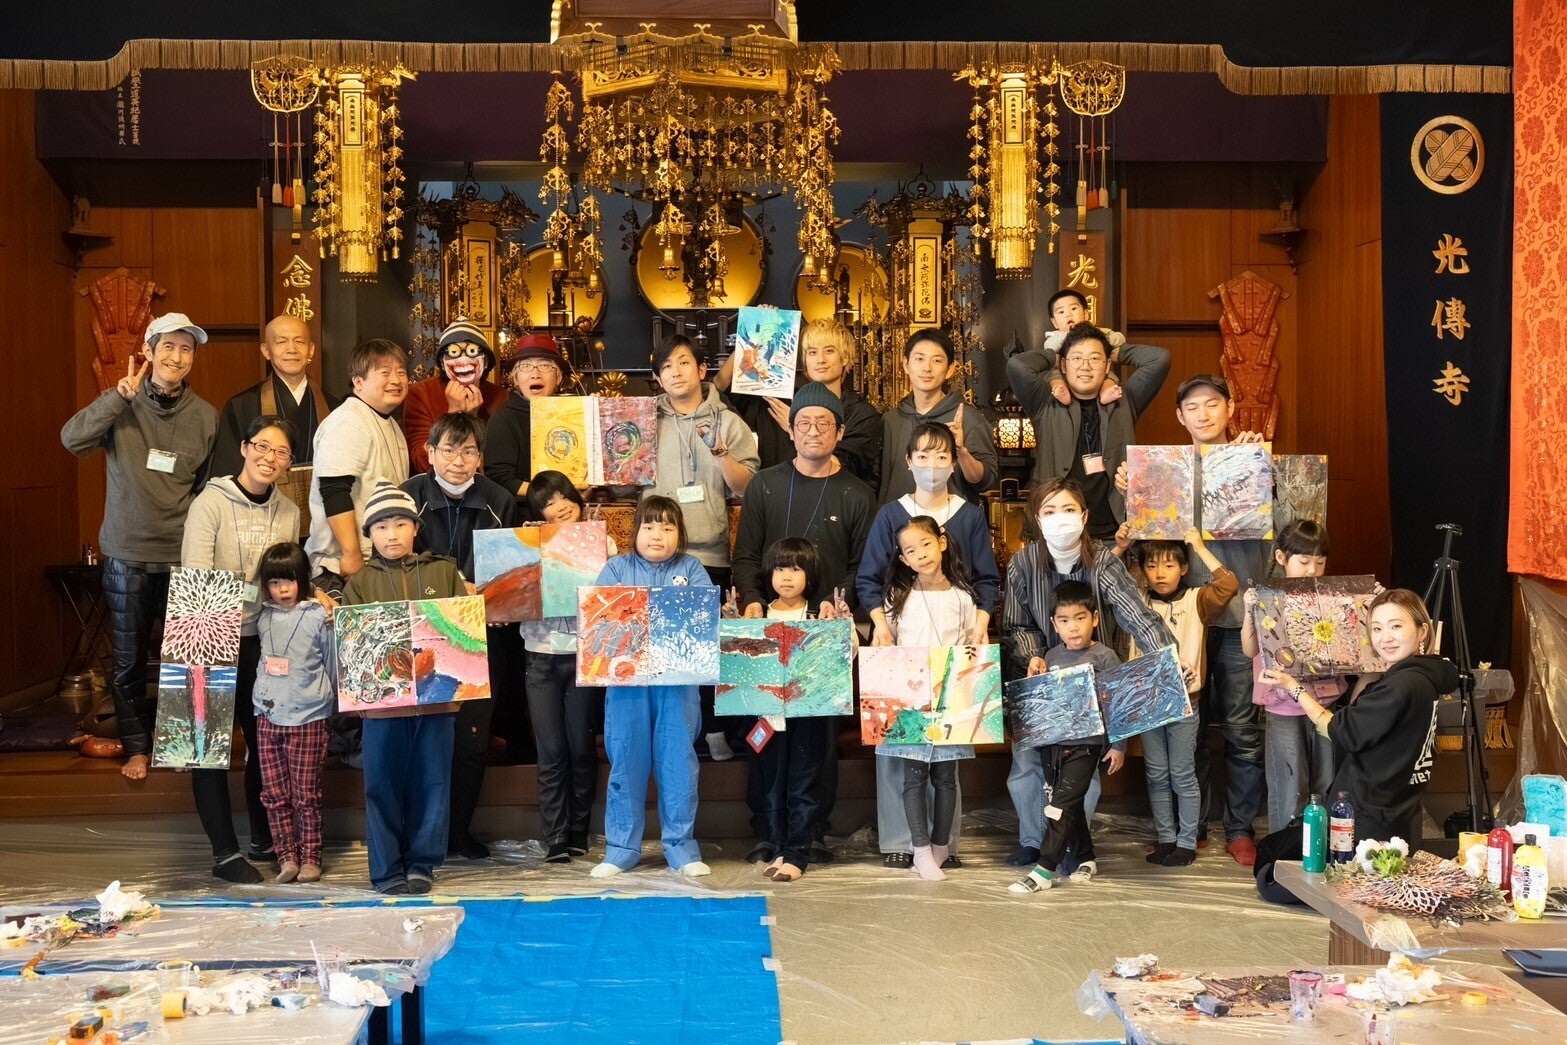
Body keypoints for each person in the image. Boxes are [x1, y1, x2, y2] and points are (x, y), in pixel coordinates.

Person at [1115, 373, 1273, 865]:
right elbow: (1146, 543)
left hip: (1238, 619)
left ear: (1230, 409)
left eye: (1212, 404)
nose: (1203, 414)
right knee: (1191, 728)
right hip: (1181, 624)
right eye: (1192, 407)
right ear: (1180, 417)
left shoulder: (1252, 459)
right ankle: (1192, 827)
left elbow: (1285, 524)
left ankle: (1241, 828)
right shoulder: (1164, 470)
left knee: (1242, 730)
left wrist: (1262, 467)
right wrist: (1130, 491)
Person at [61, 312, 217, 782]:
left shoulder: (206, 416)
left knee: (188, 660)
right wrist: (117, 397)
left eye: (186, 349)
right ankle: (137, 749)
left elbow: (206, 489)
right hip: (126, 555)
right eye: (168, 346)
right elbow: (71, 440)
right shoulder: (121, 403)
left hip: (184, 555)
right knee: (128, 661)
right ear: (148, 351)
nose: (177, 357)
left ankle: (183, 745)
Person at [730, 382, 875, 864]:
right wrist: (753, 600)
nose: (813, 432)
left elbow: (862, 565)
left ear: (840, 432)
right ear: (790, 431)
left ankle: (811, 832)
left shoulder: (857, 493)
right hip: (767, 629)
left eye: (823, 424)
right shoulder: (766, 485)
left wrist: (836, 603)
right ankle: (765, 829)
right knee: (763, 733)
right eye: (804, 423)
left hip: (823, 635)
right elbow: (746, 555)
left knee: (818, 740)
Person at [1001, 479, 1174, 868]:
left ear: (1083, 516)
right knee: (1027, 765)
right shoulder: (1022, 564)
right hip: (1038, 680)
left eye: (1068, 510)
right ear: (1037, 519)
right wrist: (1033, 656)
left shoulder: (1105, 562)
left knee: (1081, 769)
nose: (1059, 518)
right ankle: (1032, 840)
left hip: (1091, 683)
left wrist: (1167, 657)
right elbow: (1015, 624)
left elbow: (1137, 616)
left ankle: (1070, 845)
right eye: (1049, 511)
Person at [1253, 589, 1454, 905]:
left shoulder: (1403, 685)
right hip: (1394, 814)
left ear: (1422, 631)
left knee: (1270, 879)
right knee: (1272, 848)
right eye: (1377, 628)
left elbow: (1335, 728)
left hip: (1366, 820)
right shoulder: (1422, 677)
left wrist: (1294, 688)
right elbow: (1363, 711)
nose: (1385, 637)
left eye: (1396, 626)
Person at [857, 420, 999, 869]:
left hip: (955, 651)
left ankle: (944, 846)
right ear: (908, 461)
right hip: (902, 650)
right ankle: (902, 842)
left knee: (948, 759)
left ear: (954, 462)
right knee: (899, 755)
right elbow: (869, 579)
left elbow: (986, 579)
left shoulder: (969, 515)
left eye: (942, 456)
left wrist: (980, 624)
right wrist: (881, 625)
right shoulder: (890, 514)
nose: (932, 465)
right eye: (923, 455)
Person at [180, 415, 305, 882]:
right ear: (245, 448)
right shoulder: (209, 503)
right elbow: (197, 575)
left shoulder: (289, 512)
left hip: (262, 637)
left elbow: (284, 579)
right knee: (206, 746)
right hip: (206, 628)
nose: (270, 458)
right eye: (263, 447)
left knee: (265, 742)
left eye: (282, 452)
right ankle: (224, 854)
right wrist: (246, 597)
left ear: (290, 463)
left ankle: (263, 837)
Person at [341, 480, 470, 894]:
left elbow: (462, 636)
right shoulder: (359, 583)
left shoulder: (444, 572)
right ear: (369, 535)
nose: (391, 534)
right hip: (381, 708)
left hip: (437, 702)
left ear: (416, 527)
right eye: (380, 527)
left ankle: (422, 864)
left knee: (433, 782)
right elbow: (351, 648)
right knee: (381, 785)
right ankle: (385, 869)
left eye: (400, 524)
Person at [402, 412, 516, 860]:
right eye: (448, 450)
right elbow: (394, 560)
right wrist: (452, 586)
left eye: (468, 451)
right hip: (422, 635)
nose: (458, 460)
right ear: (429, 453)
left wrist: (499, 601)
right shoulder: (408, 496)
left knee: (471, 741)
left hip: (479, 637)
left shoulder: (499, 500)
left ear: (480, 457)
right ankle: (420, 833)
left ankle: (457, 832)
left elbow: (507, 571)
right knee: (423, 738)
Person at [590, 497, 715, 879]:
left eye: (667, 527)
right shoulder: (616, 568)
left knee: (677, 761)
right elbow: (597, 621)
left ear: (681, 534)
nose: (657, 535)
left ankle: (680, 847)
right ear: (635, 532)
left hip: (677, 682)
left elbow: (704, 621)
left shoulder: (692, 569)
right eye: (649, 527)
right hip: (626, 683)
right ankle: (621, 849)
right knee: (626, 759)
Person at [1120, 528, 1237, 866]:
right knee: (1156, 773)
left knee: (1182, 773)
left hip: (1185, 702)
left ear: (1184, 568)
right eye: (1152, 566)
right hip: (1146, 701)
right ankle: (1166, 838)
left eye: (1169, 565)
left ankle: (1187, 842)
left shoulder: (1197, 599)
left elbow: (1228, 584)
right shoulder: (1136, 600)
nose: (1160, 573)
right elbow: (1101, 582)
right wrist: (1120, 548)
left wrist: (1198, 546)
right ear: (1142, 570)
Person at [1241, 521, 1363, 834]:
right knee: (1289, 783)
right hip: (1283, 705)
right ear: (1281, 557)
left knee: (1326, 779)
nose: (1312, 570)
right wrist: (1248, 612)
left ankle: (1321, 845)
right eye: (1304, 561)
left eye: (1320, 563)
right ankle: (1285, 847)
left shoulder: (1332, 598)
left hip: (1324, 702)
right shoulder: (1267, 597)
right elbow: (1250, 650)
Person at [876, 515, 980, 882]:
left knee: (946, 777)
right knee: (914, 777)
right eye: (910, 550)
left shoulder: (962, 596)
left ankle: (940, 846)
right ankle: (919, 849)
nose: (920, 553)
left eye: (925, 544)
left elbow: (970, 641)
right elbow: (888, 639)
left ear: (942, 543)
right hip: (910, 695)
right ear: (903, 560)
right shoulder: (898, 596)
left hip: (951, 693)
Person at [521, 471, 612, 862]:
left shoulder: (603, 542)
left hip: (583, 656)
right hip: (540, 656)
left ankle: (578, 830)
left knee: (580, 747)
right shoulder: (527, 544)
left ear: (576, 497)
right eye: (547, 503)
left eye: (563, 497)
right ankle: (555, 837)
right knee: (552, 750)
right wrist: (525, 548)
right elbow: (508, 595)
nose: (559, 507)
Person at [1008, 319, 1170, 539]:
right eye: (1076, 358)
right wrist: (1055, 355)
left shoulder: (1124, 400)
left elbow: (1159, 359)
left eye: (1095, 358)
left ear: (1107, 366)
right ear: (1064, 365)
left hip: (1114, 533)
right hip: (1055, 535)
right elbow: (1017, 365)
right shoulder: (1046, 401)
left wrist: (1115, 352)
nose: (1085, 366)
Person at [1011, 580, 1124, 893]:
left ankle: (1044, 871)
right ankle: (1087, 858)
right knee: (1065, 803)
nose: (1073, 627)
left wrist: (1119, 746)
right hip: (1053, 746)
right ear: (1054, 624)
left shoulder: (1105, 657)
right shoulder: (1051, 656)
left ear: (1095, 618)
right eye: (1064, 620)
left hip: (1088, 746)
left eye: (1080, 618)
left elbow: (1119, 705)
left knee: (1060, 806)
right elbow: (1044, 703)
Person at [749, 537, 851, 882]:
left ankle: (797, 853)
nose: (787, 577)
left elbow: (846, 654)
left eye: (795, 569)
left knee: (804, 782)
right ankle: (779, 847)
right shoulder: (760, 614)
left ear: (810, 575)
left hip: (810, 713)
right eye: (780, 569)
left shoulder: (819, 614)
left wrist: (840, 626)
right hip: (768, 713)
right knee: (773, 782)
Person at [648, 333, 760, 588]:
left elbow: (748, 488)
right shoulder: (644, 423)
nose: (676, 372)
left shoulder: (729, 422)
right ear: (658, 379)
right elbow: (624, 487)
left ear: (701, 370)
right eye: (666, 366)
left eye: (683, 362)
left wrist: (720, 452)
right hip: (654, 554)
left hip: (710, 558)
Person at [252, 542, 335, 884]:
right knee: (274, 795)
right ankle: (287, 857)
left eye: (289, 580)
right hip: (267, 715)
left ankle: (311, 857)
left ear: (303, 578)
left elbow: (332, 663)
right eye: (274, 583)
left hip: (309, 717)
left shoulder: (319, 616)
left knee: (306, 795)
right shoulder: (262, 616)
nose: (283, 590)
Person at [716, 317, 882, 487]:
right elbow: (716, 393)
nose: (821, 359)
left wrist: (800, 426)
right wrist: (754, 334)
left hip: (832, 500)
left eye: (829, 351)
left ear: (845, 358)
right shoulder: (778, 399)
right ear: (805, 360)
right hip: (776, 497)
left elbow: (845, 469)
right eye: (812, 352)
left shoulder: (862, 414)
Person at [306, 339, 410, 598]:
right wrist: (351, 554)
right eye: (384, 372)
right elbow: (334, 490)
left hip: (377, 561)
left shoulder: (389, 422)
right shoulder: (348, 421)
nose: (396, 379)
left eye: (401, 372)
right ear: (358, 382)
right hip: (340, 565)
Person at [877, 328, 997, 506]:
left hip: (951, 521)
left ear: (950, 369)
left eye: (937, 361)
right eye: (919, 359)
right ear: (906, 365)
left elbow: (987, 482)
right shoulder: (890, 420)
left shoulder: (969, 419)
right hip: (897, 520)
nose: (927, 368)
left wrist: (961, 451)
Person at [210, 315, 334, 482]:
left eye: (299, 341)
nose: (292, 349)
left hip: (321, 497)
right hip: (261, 498)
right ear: (266, 351)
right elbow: (227, 471)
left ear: (311, 349)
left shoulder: (334, 407)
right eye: (281, 342)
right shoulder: (241, 406)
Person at [401, 318, 509, 474]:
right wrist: (454, 414)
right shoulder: (421, 393)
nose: (463, 360)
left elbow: (499, 463)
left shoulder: (501, 398)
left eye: (472, 351)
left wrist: (473, 419)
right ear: (442, 363)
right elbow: (421, 461)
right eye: (453, 352)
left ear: (486, 361)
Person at [482, 333, 570, 502]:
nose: (535, 374)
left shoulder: (573, 415)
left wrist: (596, 414)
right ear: (515, 378)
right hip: (523, 512)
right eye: (526, 366)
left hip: (571, 507)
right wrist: (553, 495)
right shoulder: (503, 420)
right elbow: (498, 478)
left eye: (545, 366)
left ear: (558, 377)